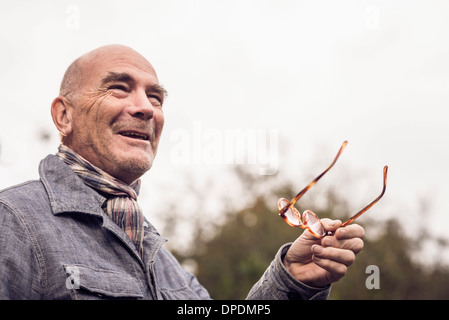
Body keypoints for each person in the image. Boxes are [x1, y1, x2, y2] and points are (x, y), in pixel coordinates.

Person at [0, 44, 364, 300]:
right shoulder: (12, 223)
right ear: (64, 115)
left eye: (155, 97)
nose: (145, 108)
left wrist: (293, 281)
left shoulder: (163, 262)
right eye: (118, 88)